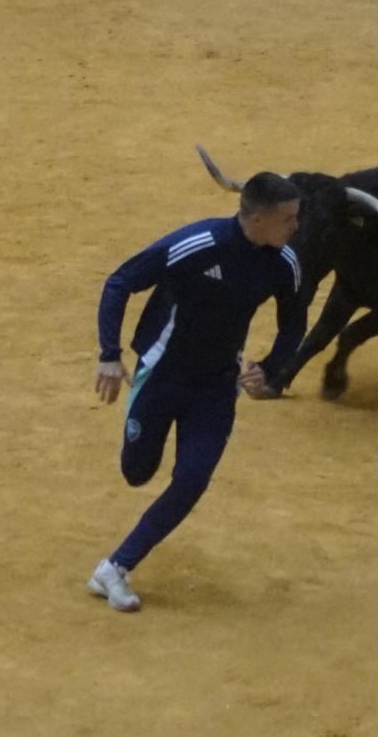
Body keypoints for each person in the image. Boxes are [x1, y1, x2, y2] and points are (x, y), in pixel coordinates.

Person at [88, 173, 307, 612]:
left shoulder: (284, 263)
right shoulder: (198, 244)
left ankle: (115, 568)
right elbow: (119, 282)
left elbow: (294, 322)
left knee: (192, 478)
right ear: (258, 218)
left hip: (216, 385)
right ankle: (139, 430)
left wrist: (270, 367)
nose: (295, 227)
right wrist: (109, 354)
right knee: (137, 472)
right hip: (162, 374)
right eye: (287, 219)